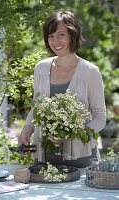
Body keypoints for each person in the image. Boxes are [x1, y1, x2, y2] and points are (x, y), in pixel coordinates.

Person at [18, 10, 106, 168]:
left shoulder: (90, 72)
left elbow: (100, 118)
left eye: (61, 35)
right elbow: (37, 107)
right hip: (44, 158)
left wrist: (72, 135)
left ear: (73, 34)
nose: (54, 41)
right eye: (50, 36)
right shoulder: (41, 68)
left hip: (80, 158)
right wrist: (27, 129)